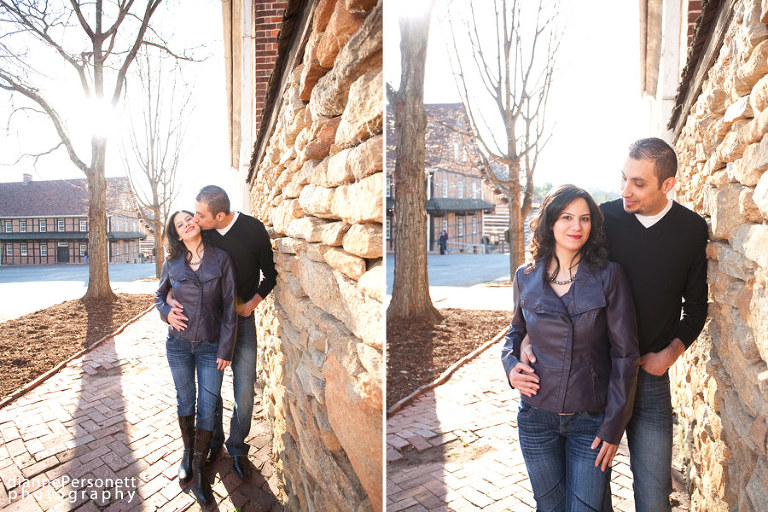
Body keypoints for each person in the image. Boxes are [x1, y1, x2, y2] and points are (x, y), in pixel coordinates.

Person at [520, 138, 709, 511]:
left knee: (654, 494)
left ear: (667, 184)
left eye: (638, 183)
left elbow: (698, 308)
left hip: (649, 378)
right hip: (596, 377)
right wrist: (530, 332)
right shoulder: (603, 220)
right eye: (624, 178)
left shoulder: (690, 229)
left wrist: (670, 353)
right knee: (593, 494)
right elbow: (556, 272)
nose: (626, 191)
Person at [502, 184, 640, 511]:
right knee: (548, 507)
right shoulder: (526, 276)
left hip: (590, 421)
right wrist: (510, 367)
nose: (576, 227)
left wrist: (613, 426)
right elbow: (514, 332)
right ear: (551, 222)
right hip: (536, 416)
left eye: (584, 219)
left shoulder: (609, 276)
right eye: (566, 217)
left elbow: (626, 354)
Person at [167, 185, 277, 480]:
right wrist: (168, 301)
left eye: (200, 215)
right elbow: (179, 270)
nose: (195, 220)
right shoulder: (203, 231)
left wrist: (252, 303)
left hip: (242, 321)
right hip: (212, 325)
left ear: (218, 215)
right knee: (209, 391)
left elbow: (271, 273)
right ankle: (210, 442)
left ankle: (238, 447)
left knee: (244, 389)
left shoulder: (253, 229)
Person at [154, 210, 237, 507]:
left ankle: (200, 469)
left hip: (211, 346)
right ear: (177, 233)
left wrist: (226, 349)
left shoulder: (221, 259)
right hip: (177, 346)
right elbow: (159, 295)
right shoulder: (172, 262)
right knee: (185, 401)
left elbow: (229, 306)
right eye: (179, 223)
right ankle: (188, 454)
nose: (187, 223)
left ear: (198, 223)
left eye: (190, 218)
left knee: (207, 407)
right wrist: (166, 312)